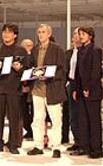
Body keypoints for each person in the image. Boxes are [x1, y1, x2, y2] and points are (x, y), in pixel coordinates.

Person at [0, 23, 27, 154]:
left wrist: (19, 68)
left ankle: (13, 143)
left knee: (14, 117)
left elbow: (25, 69)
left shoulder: (20, 50)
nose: (6, 34)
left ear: (15, 35)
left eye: (9, 32)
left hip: (13, 88)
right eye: (4, 32)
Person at [27, 24, 66, 158]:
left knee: (56, 120)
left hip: (52, 89)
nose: (40, 34)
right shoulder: (35, 49)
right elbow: (31, 67)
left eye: (43, 32)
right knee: (37, 119)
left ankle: (56, 147)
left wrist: (49, 75)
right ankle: (38, 145)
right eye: (39, 32)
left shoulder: (57, 49)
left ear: (49, 34)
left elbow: (62, 70)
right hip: (37, 89)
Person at [69, 26, 103, 159]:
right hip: (81, 90)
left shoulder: (95, 50)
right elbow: (78, 72)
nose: (80, 36)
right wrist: (77, 89)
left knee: (94, 120)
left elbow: (96, 72)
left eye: (83, 34)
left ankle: (96, 149)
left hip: (92, 91)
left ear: (90, 35)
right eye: (79, 34)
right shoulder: (81, 50)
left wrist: (88, 88)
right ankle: (85, 146)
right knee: (83, 120)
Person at [65, 28, 81, 151]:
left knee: (81, 115)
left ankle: (83, 142)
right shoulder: (68, 53)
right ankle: (76, 140)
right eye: (75, 33)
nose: (76, 36)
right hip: (70, 85)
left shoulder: (85, 52)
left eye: (78, 34)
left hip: (80, 86)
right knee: (72, 115)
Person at [20, 38, 34, 140]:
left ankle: (31, 131)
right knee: (23, 110)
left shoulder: (31, 57)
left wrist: (26, 85)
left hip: (31, 87)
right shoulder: (20, 57)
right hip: (21, 87)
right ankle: (29, 130)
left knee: (32, 111)